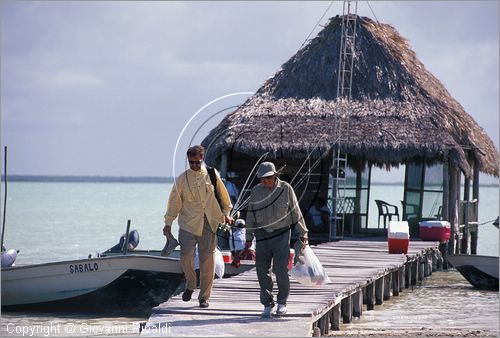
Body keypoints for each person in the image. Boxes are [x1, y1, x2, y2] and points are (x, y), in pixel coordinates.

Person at [163, 145, 233, 308]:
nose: (194, 165)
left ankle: (204, 297)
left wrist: (226, 214)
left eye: (197, 162)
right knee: (186, 256)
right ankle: (190, 285)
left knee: (207, 261)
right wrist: (168, 223)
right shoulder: (182, 179)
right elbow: (174, 202)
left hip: (210, 223)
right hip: (188, 223)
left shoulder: (212, 174)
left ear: (202, 159)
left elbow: (224, 198)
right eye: (191, 162)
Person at [245, 161, 309, 318]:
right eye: (261, 179)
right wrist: (248, 237)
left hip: (281, 234)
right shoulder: (255, 191)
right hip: (261, 235)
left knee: (280, 270)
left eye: (267, 178)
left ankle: (282, 302)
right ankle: (267, 303)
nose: (264, 181)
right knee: (261, 270)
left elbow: (295, 211)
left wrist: (303, 232)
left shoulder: (286, 188)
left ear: (275, 176)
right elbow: (250, 216)